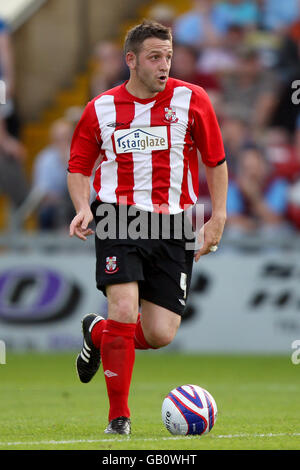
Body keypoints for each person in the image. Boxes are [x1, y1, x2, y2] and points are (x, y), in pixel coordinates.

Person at [67, 20, 227, 435]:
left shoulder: (193, 100)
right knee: (123, 308)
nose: (164, 66)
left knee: (160, 333)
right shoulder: (100, 109)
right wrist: (84, 207)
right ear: (131, 60)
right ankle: (118, 418)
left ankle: (98, 333)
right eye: (155, 57)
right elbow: (79, 167)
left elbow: (215, 160)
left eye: (169, 57)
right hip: (119, 216)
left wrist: (219, 216)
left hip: (176, 223)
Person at [32, 118, 75, 230]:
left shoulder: (79, 157)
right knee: (51, 210)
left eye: (66, 138)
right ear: (52, 140)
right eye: (58, 139)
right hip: (54, 205)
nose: (62, 143)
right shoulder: (45, 158)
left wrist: (69, 163)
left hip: (77, 203)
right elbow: (42, 191)